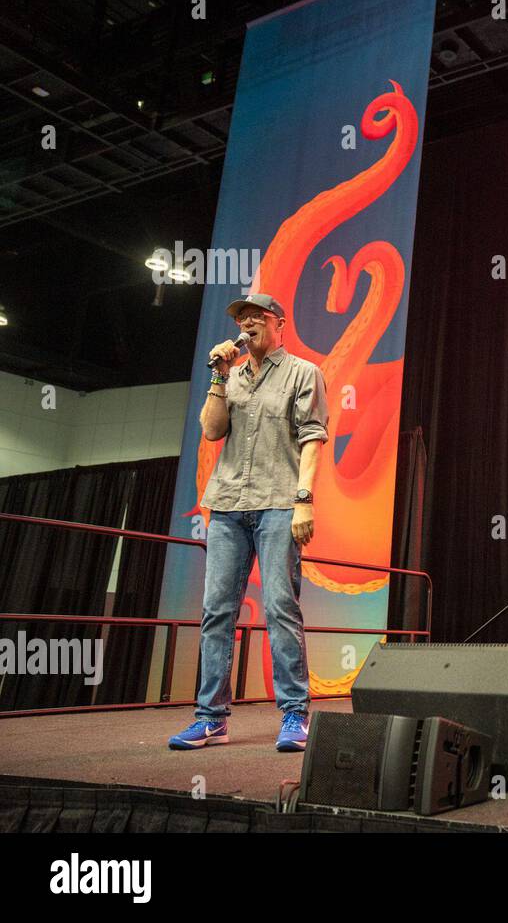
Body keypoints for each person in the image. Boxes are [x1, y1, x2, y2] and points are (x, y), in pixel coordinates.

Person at [168, 293, 328, 753]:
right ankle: (211, 719)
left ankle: (295, 714)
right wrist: (218, 376)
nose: (248, 323)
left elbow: (313, 439)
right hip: (228, 506)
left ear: (279, 324)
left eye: (257, 317)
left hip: (279, 502)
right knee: (216, 610)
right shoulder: (232, 375)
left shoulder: (304, 373)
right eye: (242, 318)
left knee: (280, 607)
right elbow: (213, 430)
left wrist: (304, 499)